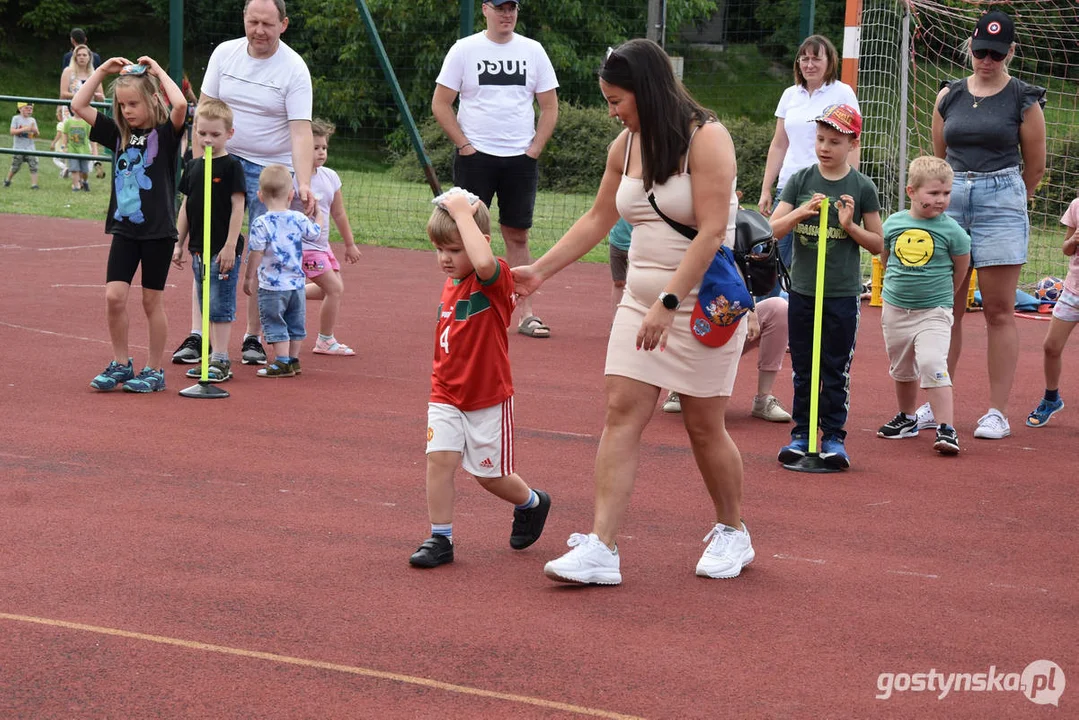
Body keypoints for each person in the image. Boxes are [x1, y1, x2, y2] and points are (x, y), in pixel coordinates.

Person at [514, 39, 753, 585]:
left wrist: (669, 303)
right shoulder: (624, 146)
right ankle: (602, 547)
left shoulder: (707, 140)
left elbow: (714, 230)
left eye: (617, 99)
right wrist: (541, 271)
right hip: (639, 303)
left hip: (699, 304)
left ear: (646, 91)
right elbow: (598, 219)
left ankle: (733, 530)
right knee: (622, 409)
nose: (612, 111)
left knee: (703, 425)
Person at [410, 189, 552, 569]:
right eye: (440, 249)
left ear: (478, 244)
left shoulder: (495, 277)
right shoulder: (452, 280)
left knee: (489, 477)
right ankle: (440, 538)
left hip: (487, 398)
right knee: (438, 461)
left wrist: (461, 211)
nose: (445, 258)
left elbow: (486, 262)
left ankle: (532, 502)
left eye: (454, 250)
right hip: (445, 393)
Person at [929, 10, 1046, 440]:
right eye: (980, 52)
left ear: (1010, 53)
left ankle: (997, 411)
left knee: (998, 310)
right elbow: (939, 158)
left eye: (996, 54)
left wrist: (1012, 202)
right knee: (947, 309)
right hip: (953, 196)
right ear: (971, 47)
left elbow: (1034, 167)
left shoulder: (1024, 98)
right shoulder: (949, 95)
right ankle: (938, 403)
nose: (987, 60)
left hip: (1002, 197)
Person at [188, 0, 315, 367]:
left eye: (267, 24)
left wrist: (302, 182)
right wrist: (200, 164)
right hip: (223, 158)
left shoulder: (293, 68)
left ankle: (253, 337)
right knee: (207, 244)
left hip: (270, 169)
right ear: (244, 20)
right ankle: (200, 333)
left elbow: (300, 130)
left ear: (284, 25)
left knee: (268, 251)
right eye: (253, 21)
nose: (259, 30)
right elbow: (206, 111)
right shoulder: (225, 54)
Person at [432, 0, 559, 339]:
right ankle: (461, 304)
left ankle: (525, 313)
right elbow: (440, 102)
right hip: (476, 157)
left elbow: (549, 106)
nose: (507, 14)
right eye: (500, 7)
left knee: (517, 234)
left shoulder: (533, 51)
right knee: (464, 230)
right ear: (485, 8)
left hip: (520, 158)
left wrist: (535, 148)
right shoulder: (464, 49)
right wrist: (464, 145)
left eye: (512, 7)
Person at [769, 103, 883, 470]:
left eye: (834, 141)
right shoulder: (801, 180)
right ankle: (801, 433)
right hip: (803, 290)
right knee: (803, 366)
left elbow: (879, 244)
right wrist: (802, 212)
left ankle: (833, 436)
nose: (825, 147)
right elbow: (772, 230)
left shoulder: (862, 186)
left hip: (840, 294)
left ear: (852, 143)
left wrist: (849, 226)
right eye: (820, 139)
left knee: (834, 368)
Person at [72, 56, 187, 393]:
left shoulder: (165, 136)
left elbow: (179, 104)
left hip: (158, 232)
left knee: (152, 301)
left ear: (152, 99)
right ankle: (121, 364)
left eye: (134, 103)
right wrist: (102, 71)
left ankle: (154, 369)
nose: (128, 110)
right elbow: (78, 104)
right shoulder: (118, 133)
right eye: (122, 105)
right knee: (114, 297)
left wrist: (157, 72)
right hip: (125, 229)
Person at [876, 156, 970, 455]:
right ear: (912, 191)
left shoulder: (953, 231)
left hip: (934, 311)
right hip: (895, 309)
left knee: (931, 362)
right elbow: (885, 258)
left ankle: (947, 428)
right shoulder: (893, 223)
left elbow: (961, 268)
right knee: (902, 368)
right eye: (934, 193)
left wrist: (943, 299)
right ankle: (907, 418)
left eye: (946, 193)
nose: (941, 200)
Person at [758, 35, 859, 271]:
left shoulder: (842, 93)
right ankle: (770, 307)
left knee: (815, 258)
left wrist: (850, 184)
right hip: (790, 185)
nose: (809, 64)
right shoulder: (789, 95)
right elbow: (779, 143)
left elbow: (853, 141)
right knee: (771, 253)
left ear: (830, 61)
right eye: (804, 58)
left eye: (816, 58)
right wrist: (766, 188)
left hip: (825, 186)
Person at [171, 99, 248, 383]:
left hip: (222, 249)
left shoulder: (232, 167)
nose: (208, 139)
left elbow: (239, 207)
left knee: (220, 304)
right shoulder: (192, 166)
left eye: (215, 134)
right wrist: (179, 243)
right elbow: (186, 206)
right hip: (198, 249)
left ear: (229, 133)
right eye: (202, 133)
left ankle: (221, 359)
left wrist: (230, 245)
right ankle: (212, 356)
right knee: (206, 302)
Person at [242, 164, 322, 378]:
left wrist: (249, 276)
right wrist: (320, 214)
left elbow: (257, 252)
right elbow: (315, 233)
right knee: (295, 321)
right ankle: (294, 359)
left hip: (272, 285)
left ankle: (282, 361)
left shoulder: (261, 223)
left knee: (275, 321)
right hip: (297, 284)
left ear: (259, 195)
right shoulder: (298, 218)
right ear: (291, 194)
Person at [661, 296, 792, 423]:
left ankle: (764, 398)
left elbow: (749, 282)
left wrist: (752, 313)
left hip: (732, 317)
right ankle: (678, 388)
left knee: (778, 308)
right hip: (695, 321)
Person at [295, 119, 362, 356]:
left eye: (324, 147)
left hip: (322, 247)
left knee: (328, 290)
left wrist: (349, 243)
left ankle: (288, 293)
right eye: (315, 148)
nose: (321, 152)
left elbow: (339, 213)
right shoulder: (294, 179)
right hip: (305, 246)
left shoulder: (330, 177)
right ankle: (325, 340)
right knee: (334, 289)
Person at [1025, 192, 1079, 428]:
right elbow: (1066, 249)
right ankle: (1051, 398)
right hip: (1072, 291)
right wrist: (1074, 239)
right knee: (1051, 346)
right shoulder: (1077, 205)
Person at [4, 102, 39, 190]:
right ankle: (8, 180)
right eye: (27, 108)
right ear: (20, 109)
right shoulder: (16, 118)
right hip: (18, 148)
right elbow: (12, 132)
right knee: (15, 166)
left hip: (30, 148)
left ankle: (34, 185)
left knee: (33, 165)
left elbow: (36, 135)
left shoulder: (32, 120)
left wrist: (35, 131)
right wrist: (24, 129)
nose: (29, 110)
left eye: (31, 108)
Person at [61, 109, 92, 192]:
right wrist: (63, 146)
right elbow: (65, 134)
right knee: (74, 169)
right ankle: (76, 186)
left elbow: (91, 137)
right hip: (72, 150)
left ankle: (84, 182)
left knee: (84, 171)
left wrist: (94, 150)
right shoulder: (68, 122)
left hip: (84, 150)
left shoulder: (86, 122)